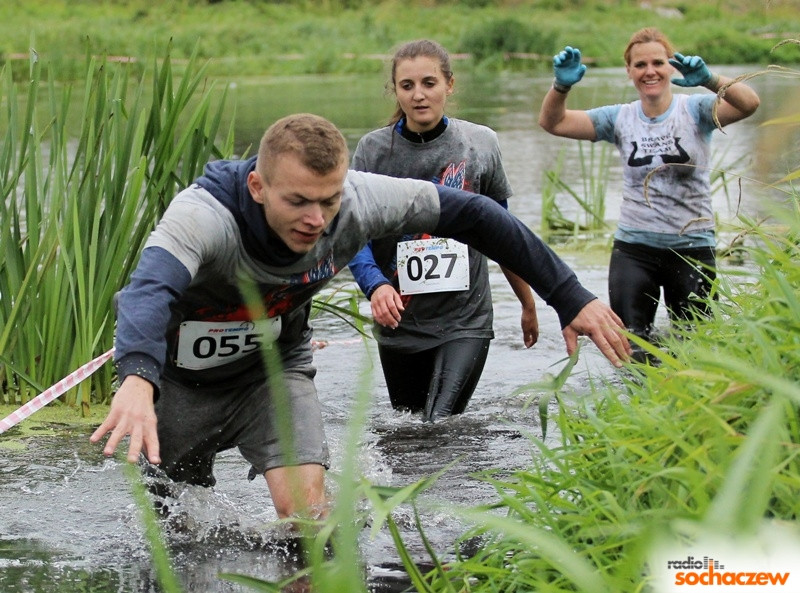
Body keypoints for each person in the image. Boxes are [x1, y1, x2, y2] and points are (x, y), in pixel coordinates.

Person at [90, 113, 630, 522]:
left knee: (307, 524)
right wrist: (137, 378)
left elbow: (478, 216)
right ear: (258, 187)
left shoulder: (360, 200)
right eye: (299, 201)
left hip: (271, 375)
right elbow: (146, 291)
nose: (316, 220)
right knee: (175, 532)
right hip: (180, 385)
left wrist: (569, 295)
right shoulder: (203, 216)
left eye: (328, 202)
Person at [348, 39, 538, 423]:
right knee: (409, 428)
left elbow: (502, 232)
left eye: (429, 83)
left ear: (449, 85)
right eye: (407, 86)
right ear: (395, 90)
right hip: (400, 320)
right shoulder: (373, 151)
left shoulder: (480, 144)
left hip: (465, 319)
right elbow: (353, 235)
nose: (419, 95)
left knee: (440, 424)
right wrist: (375, 285)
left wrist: (528, 301)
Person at [538, 28, 759, 358]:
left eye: (658, 62)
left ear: (671, 67)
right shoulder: (619, 118)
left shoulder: (696, 111)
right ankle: (635, 404)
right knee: (631, 349)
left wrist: (710, 79)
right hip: (634, 250)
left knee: (696, 349)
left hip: (693, 248)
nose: (650, 71)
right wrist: (561, 86)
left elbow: (748, 104)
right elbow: (553, 122)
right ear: (629, 71)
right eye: (640, 65)